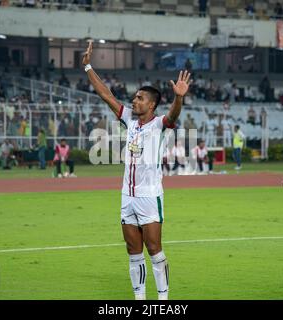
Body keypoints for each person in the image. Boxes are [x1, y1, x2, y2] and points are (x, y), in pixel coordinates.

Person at [82, 41, 191, 300]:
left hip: (149, 196)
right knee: (133, 251)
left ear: (151, 105)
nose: (134, 100)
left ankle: (163, 300)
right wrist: (87, 66)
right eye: (135, 97)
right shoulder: (129, 120)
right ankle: (140, 299)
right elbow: (106, 95)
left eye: (140, 98)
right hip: (127, 196)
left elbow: (174, 116)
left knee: (155, 250)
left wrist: (179, 97)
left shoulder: (160, 124)